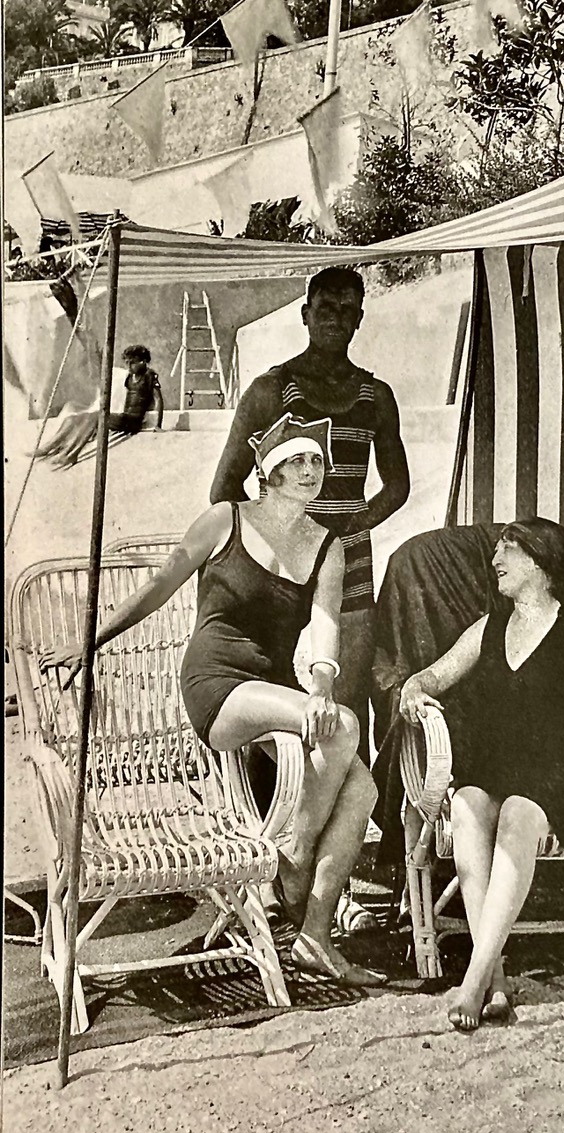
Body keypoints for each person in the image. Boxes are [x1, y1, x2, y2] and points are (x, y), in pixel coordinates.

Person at [39, 414, 386, 988]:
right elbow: (157, 589)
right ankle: (294, 862)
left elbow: (325, 631)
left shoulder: (327, 545)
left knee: (363, 786)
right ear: (268, 473)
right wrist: (89, 640)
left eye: (317, 462)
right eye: (296, 462)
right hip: (217, 685)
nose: (309, 472)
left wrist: (320, 689)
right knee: (344, 729)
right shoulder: (225, 520)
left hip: (275, 693)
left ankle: (314, 936)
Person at [399, 517, 564, 1031]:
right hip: (502, 763)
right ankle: (498, 980)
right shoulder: (488, 627)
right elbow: (436, 674)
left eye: (507, 551)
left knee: (516, 813)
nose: (495, 563)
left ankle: (472, 982)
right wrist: (414, 688)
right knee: (466, 804)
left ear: (540, 563)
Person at [210, 266, 410, 764]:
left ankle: (345, 823)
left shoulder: (375, 397)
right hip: (281, 571)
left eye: (347, 311)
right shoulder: (270, 389)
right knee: (272, 698)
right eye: (325, 309)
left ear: (360, 319)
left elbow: (398, 486)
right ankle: (265, 821)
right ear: (305, 314)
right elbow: (223, 491)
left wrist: (354, 523)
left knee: (345, 698)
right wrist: (279, 534)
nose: (335, 320)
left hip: (352, 568)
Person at [34, 342, 164, 468]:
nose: (128, 366)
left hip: (133, 421)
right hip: (124, 417)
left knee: (97, 417)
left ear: (143, 361)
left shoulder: (149, 376)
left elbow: (158, 400)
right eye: (127, 363)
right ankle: (50, 446)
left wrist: (158, 425)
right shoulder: (130, 377)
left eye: (132, 363)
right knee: (74, 418)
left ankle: (72, 453)